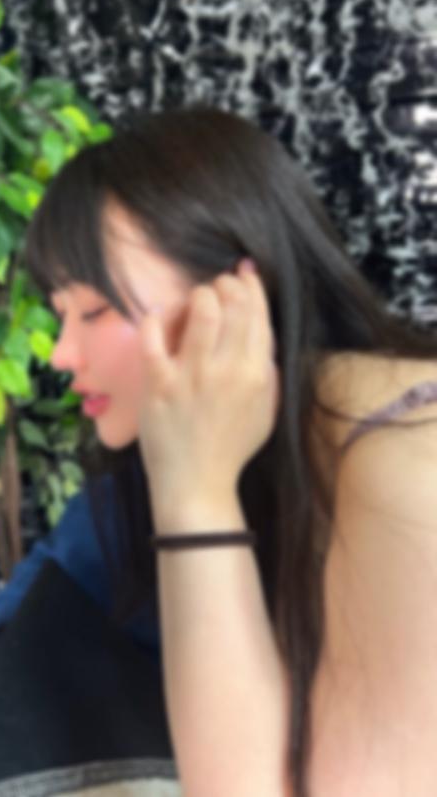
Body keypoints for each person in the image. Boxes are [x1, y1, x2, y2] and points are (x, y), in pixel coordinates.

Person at [24, 106, 437, 797]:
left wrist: (194, 493)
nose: (62, 353)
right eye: (60, 313)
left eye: (94, 309)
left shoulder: (411, 476)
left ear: (239, 292)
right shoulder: (282, 452)